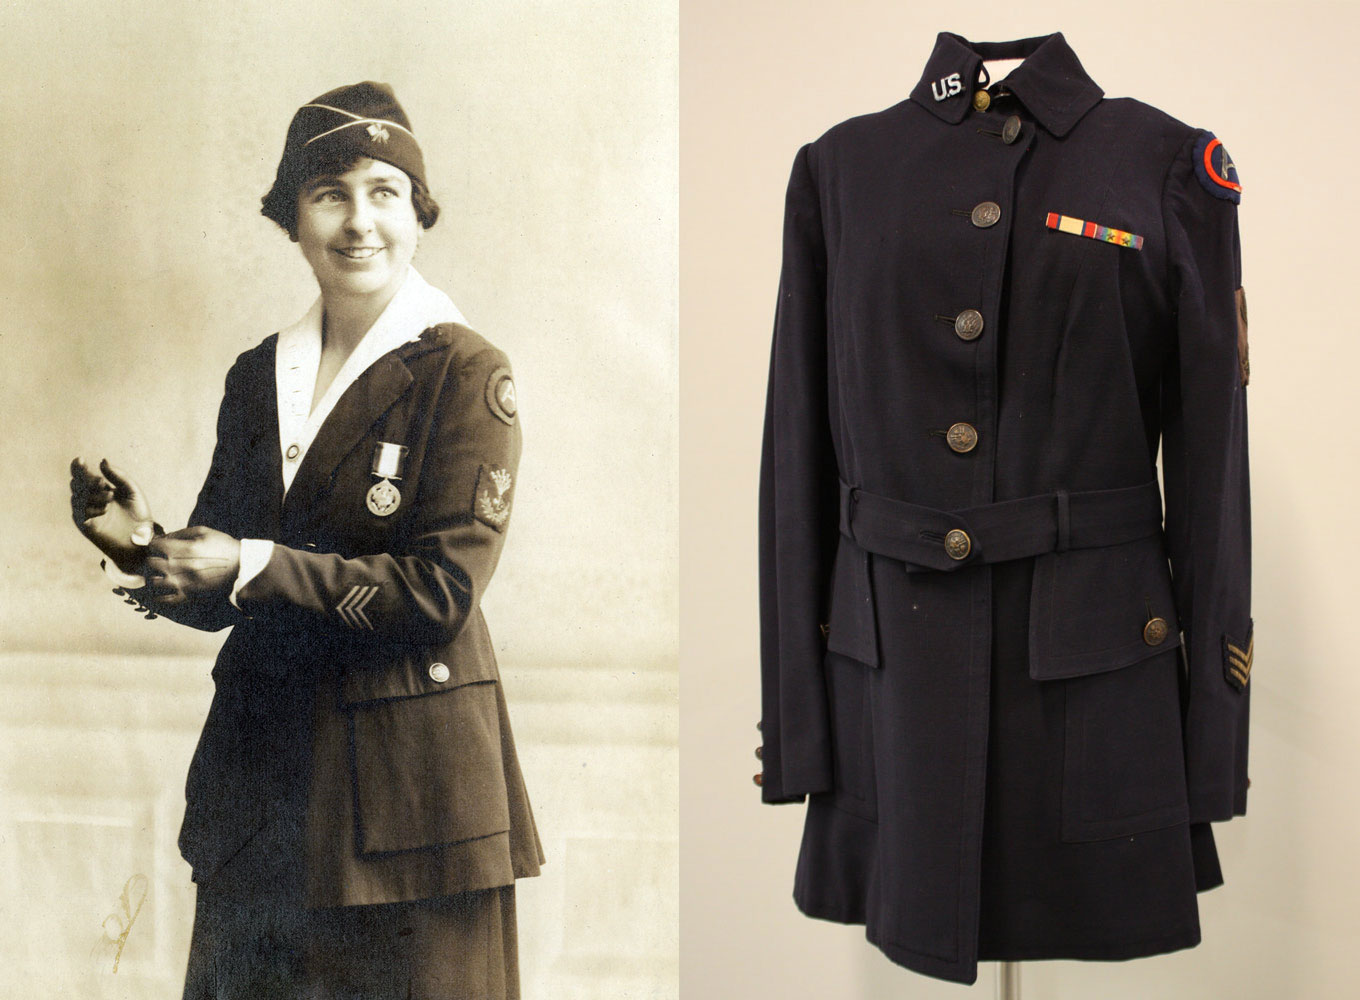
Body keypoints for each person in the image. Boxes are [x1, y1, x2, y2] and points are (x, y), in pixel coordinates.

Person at [69, 81, 542, 999]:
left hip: (410, 805)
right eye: (330, 195)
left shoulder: (466, 370)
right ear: (293, 217)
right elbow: (226, 582)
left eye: (383, 192)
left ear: (418, 212)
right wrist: (142, 546)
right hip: (267, 785)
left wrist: (249, 564)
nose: (358, 222)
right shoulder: (258, 376)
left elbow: (440, 594)